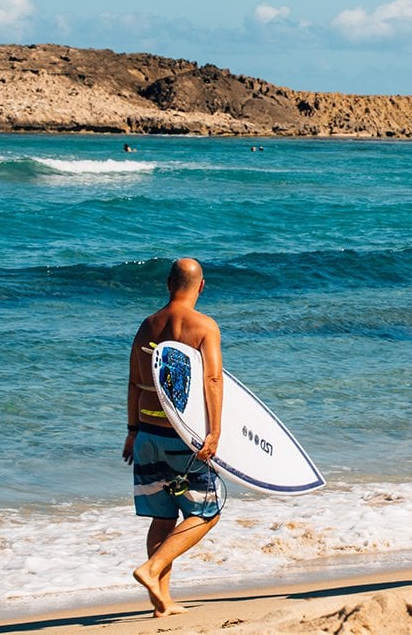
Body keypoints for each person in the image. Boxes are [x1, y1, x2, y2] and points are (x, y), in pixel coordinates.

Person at [124, 258, 224, 617]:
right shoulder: (204, 326)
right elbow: (213, 379)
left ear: (168, 283)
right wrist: (214, 432)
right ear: (202, 286)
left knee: (163, 517)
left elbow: (135, 382)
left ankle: (161, 602)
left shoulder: (148, 324)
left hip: (148, 434)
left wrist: (132, 432)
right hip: (183, 439)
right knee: (207, 513)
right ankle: (151, 570)